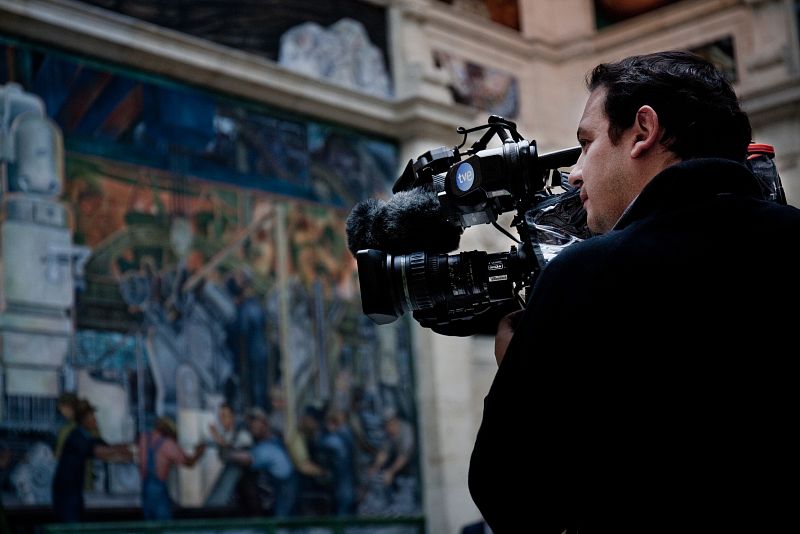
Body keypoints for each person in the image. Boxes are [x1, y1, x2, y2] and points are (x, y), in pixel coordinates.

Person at [468, 50, 800, 533]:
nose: (575, 173)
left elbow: (514, 499)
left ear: (643, 131)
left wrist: (517, 370)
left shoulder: (584, 275)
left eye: (587, 144)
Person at [51, 400, 133, 523]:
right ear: (83, 420)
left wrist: (126, 448)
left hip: (73, 491)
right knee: (71, 525)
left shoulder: (85, 436)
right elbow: (101, 451)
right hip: (66, 494)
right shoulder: (77, 438)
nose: (95, 420)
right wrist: (128, 451)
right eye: (92, 417)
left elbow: (107, 446)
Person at [227, 407, 297, 517]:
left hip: (283, 506)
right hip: (275, 500)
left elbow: (247, 458)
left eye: (255, 421)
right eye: (250, 422)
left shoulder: (270, 446)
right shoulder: (264, 442)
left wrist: (225, 451)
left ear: (264, 423)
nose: (252, 425)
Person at [138, 416, 206, 520]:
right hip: (158, 490)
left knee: (149, 522)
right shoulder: (168, 444)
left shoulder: (144, 438)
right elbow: (188, 462)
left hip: (145, 488)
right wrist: (199, 453)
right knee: (164, 524)